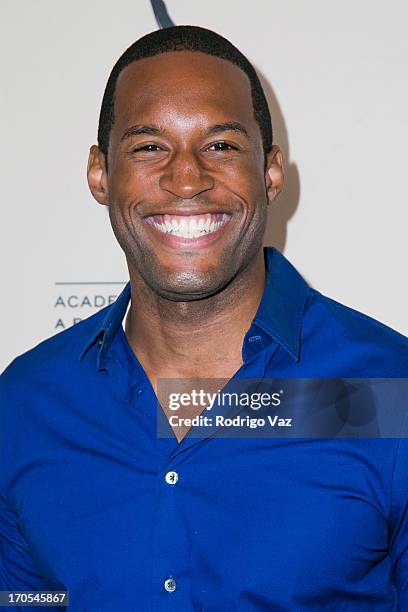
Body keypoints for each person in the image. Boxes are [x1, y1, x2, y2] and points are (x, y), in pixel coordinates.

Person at [1, 24, 408, 611]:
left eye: (220, 145)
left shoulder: (386, 390)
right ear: (99, 173)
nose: (187, 178)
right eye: (149, 147)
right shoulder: (26, 405)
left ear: (270, 173)